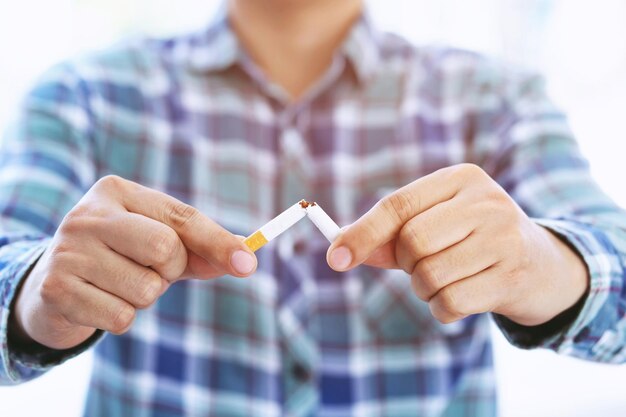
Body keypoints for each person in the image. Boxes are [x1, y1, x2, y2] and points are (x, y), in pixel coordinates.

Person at [0, 0, 625, 415]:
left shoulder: (495, 99)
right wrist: (36, 294)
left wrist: (544, 263)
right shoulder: (85, 96)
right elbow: (13, 259)